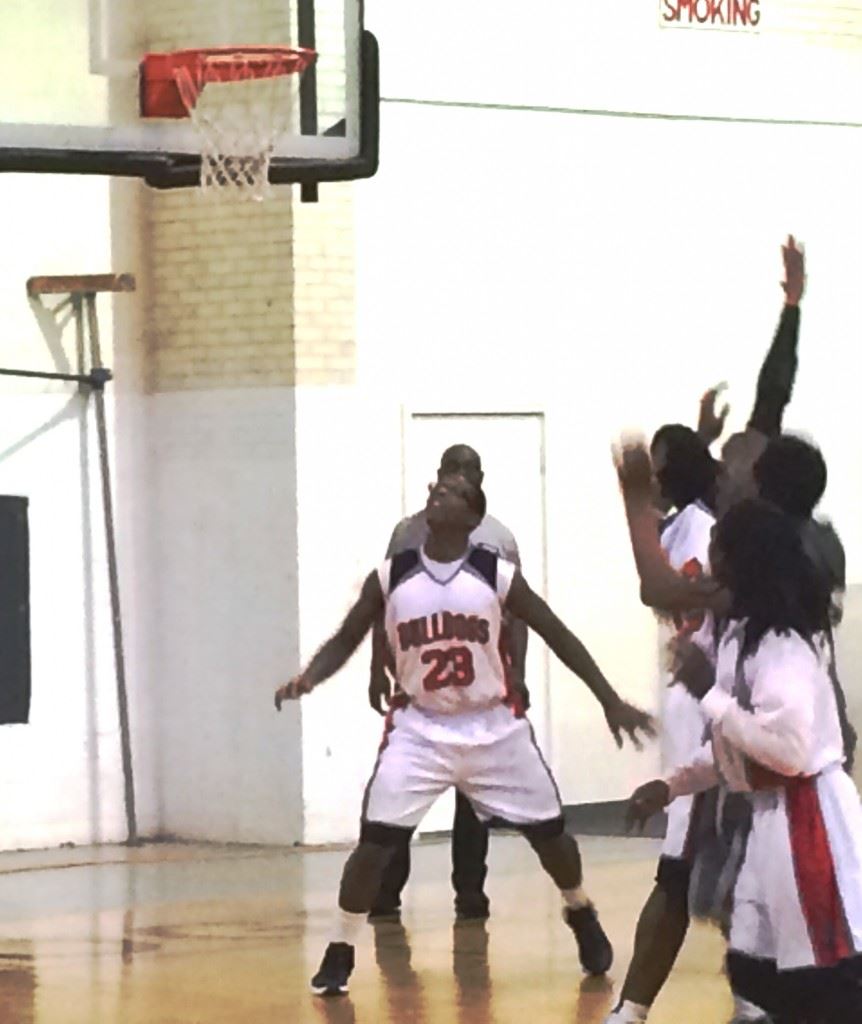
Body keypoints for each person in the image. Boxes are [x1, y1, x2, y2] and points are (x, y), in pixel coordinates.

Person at [275, 475, 655, 996]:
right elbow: (347, 637)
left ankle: (579, 908)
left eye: (452, 489)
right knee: (374, 843)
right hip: (420, 728)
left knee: (551, 836)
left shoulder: (495, 574)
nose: (437, 489)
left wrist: (608, 698)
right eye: (437, 484)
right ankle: (340, 947)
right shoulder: (391, 576)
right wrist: (310, 676)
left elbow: (556, 632)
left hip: (493, 724)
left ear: (473, 518)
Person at [629, 500, 862, 1024]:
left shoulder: (783, 647)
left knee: (825, 984)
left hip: (810, 822)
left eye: (716, 550)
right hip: (770, 816)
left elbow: (789, 752)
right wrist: (671, 786)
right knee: (754, 972)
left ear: (739, 560)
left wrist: (707, 692)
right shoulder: (739, 637)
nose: (707, 561)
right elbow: (734, 745)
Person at [368, 444, 527, 921]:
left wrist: (516, 673)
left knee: (473, 793)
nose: (456, 478)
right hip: (418, 680)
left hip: (480, 681)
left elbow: (517, 610)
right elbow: (383, 602)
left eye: (466, 472)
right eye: (448, 471)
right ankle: (387, 890)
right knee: (399, 786)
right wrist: (378, 663)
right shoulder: (407, 533)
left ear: (480, 479)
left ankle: (470, 890)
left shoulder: (499, 539)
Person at [604, 426, 719, 1024]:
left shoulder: (699, 526)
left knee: (679, 875)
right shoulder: (691, 520)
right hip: (699, 713)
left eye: (658, 466)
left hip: (712, 712)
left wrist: (632, 499)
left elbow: (662, 588)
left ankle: (632, 1009)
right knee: (716, 870)